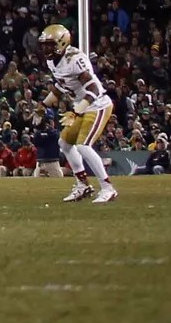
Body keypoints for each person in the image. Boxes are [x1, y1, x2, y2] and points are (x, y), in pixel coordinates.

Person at [39, 23, 118, 205]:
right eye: (44, 45)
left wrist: (78, 109)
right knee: (65, 143)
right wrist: (42, 105)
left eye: (49, 45)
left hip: (97, 104)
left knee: (83, 145)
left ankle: (107, 188)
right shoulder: (53, 61)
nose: (45, 49)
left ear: (61, 43)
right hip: (81, 106)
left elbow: (94, 88)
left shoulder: (75, 59)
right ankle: (83, 185)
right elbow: (61, 86)